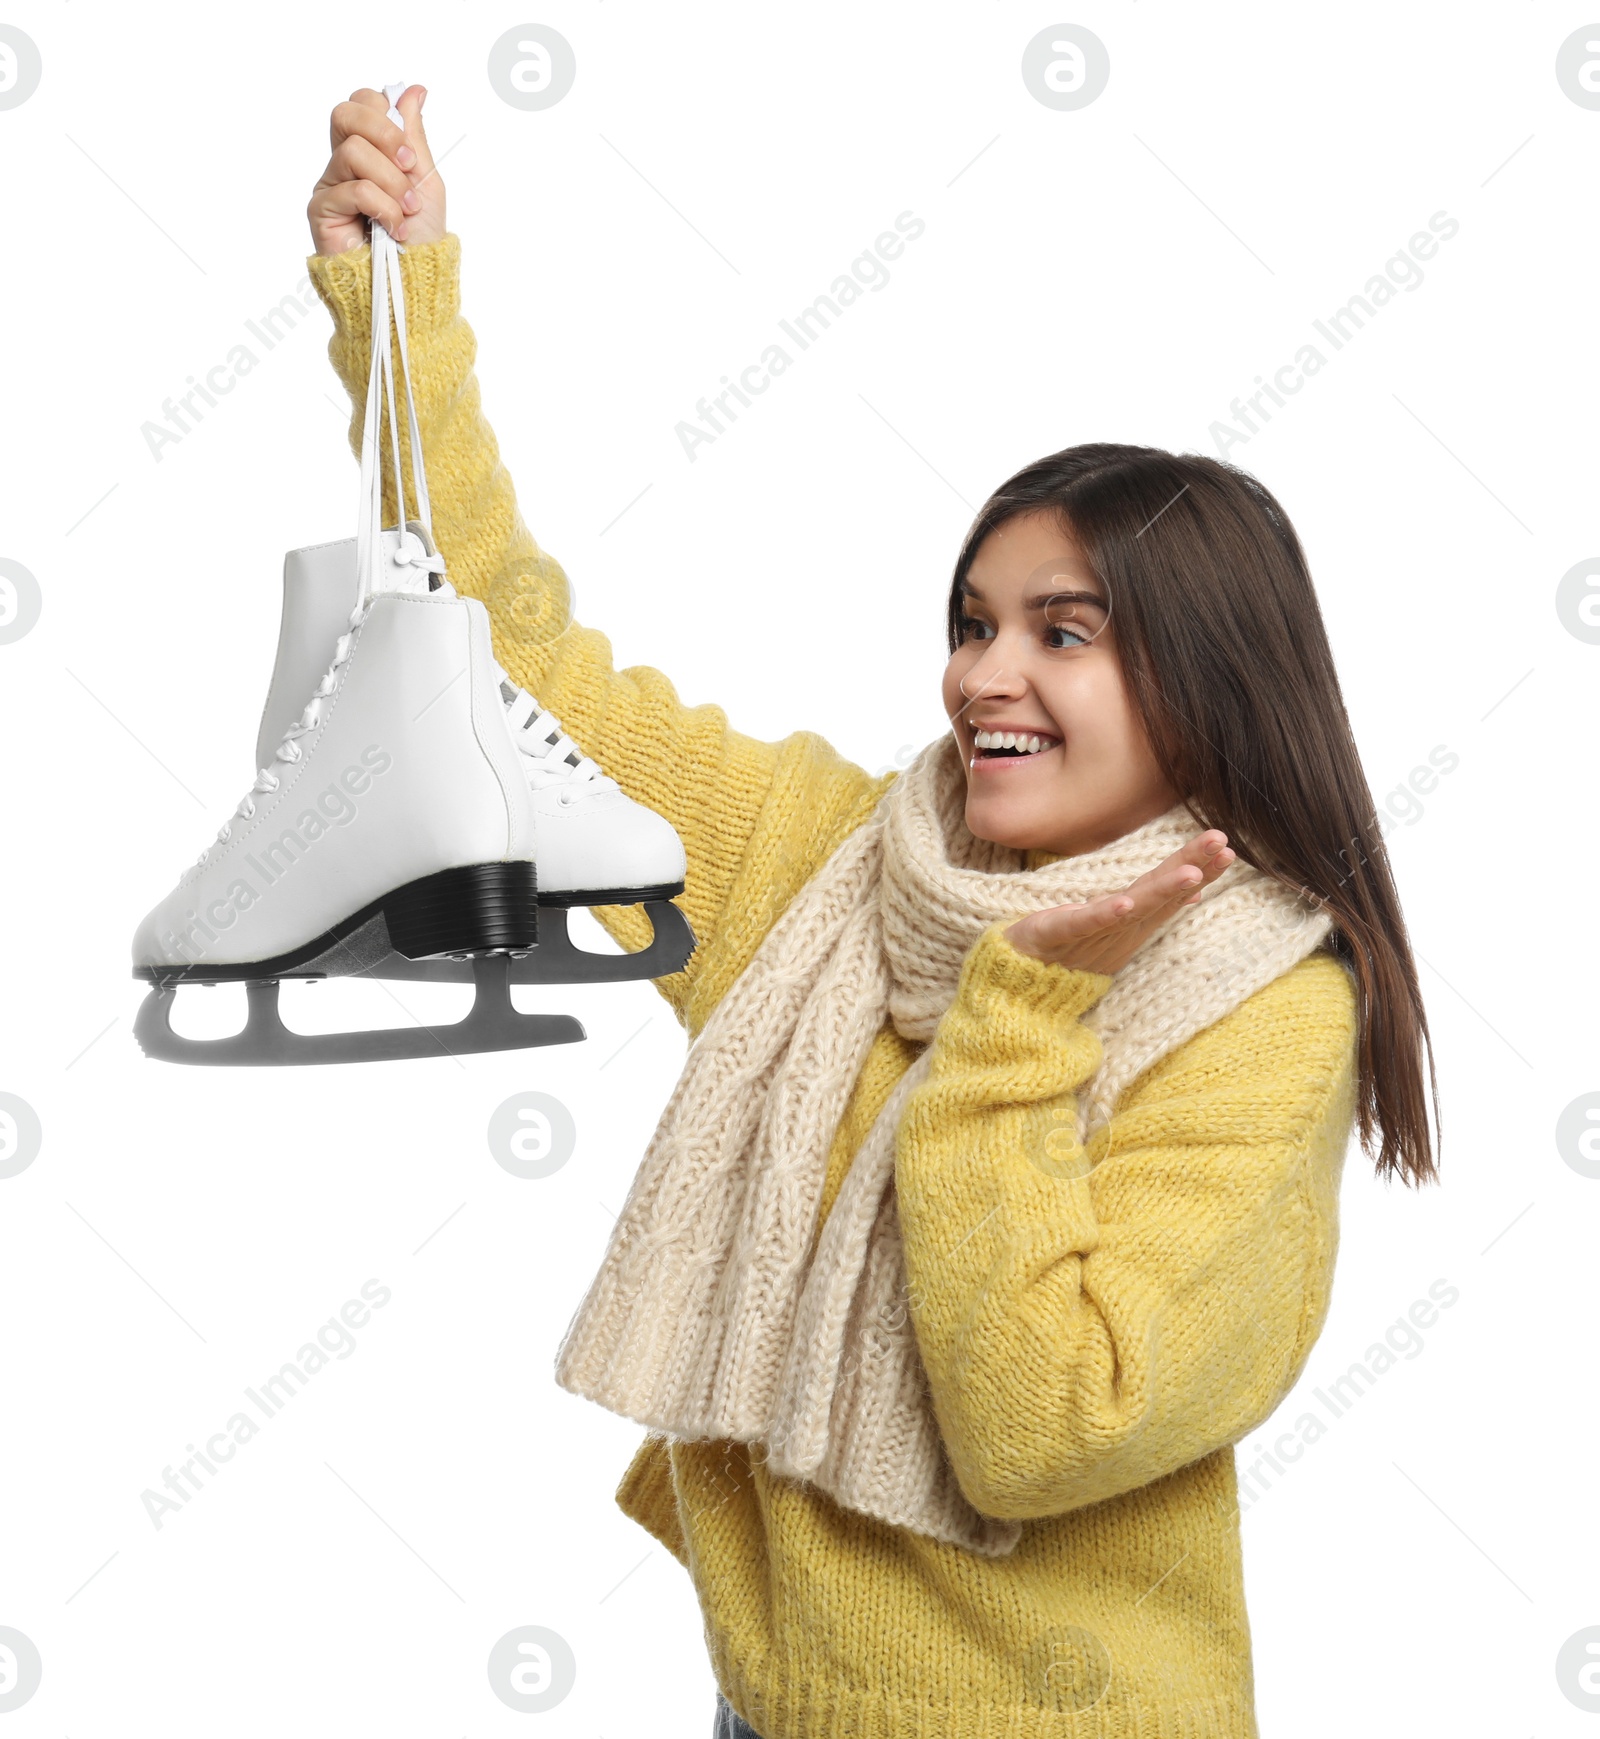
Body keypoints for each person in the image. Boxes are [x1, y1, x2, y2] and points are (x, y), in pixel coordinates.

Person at [305, 85, 1439, 1739]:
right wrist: (396, 317)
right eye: (976, 620)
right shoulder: (837, 868)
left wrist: (1020, 1026)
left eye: (1066, 633)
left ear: (1206, 680)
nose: (985, 672)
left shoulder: (1265, 1000)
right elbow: (511, 680)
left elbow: (1047, 1425)